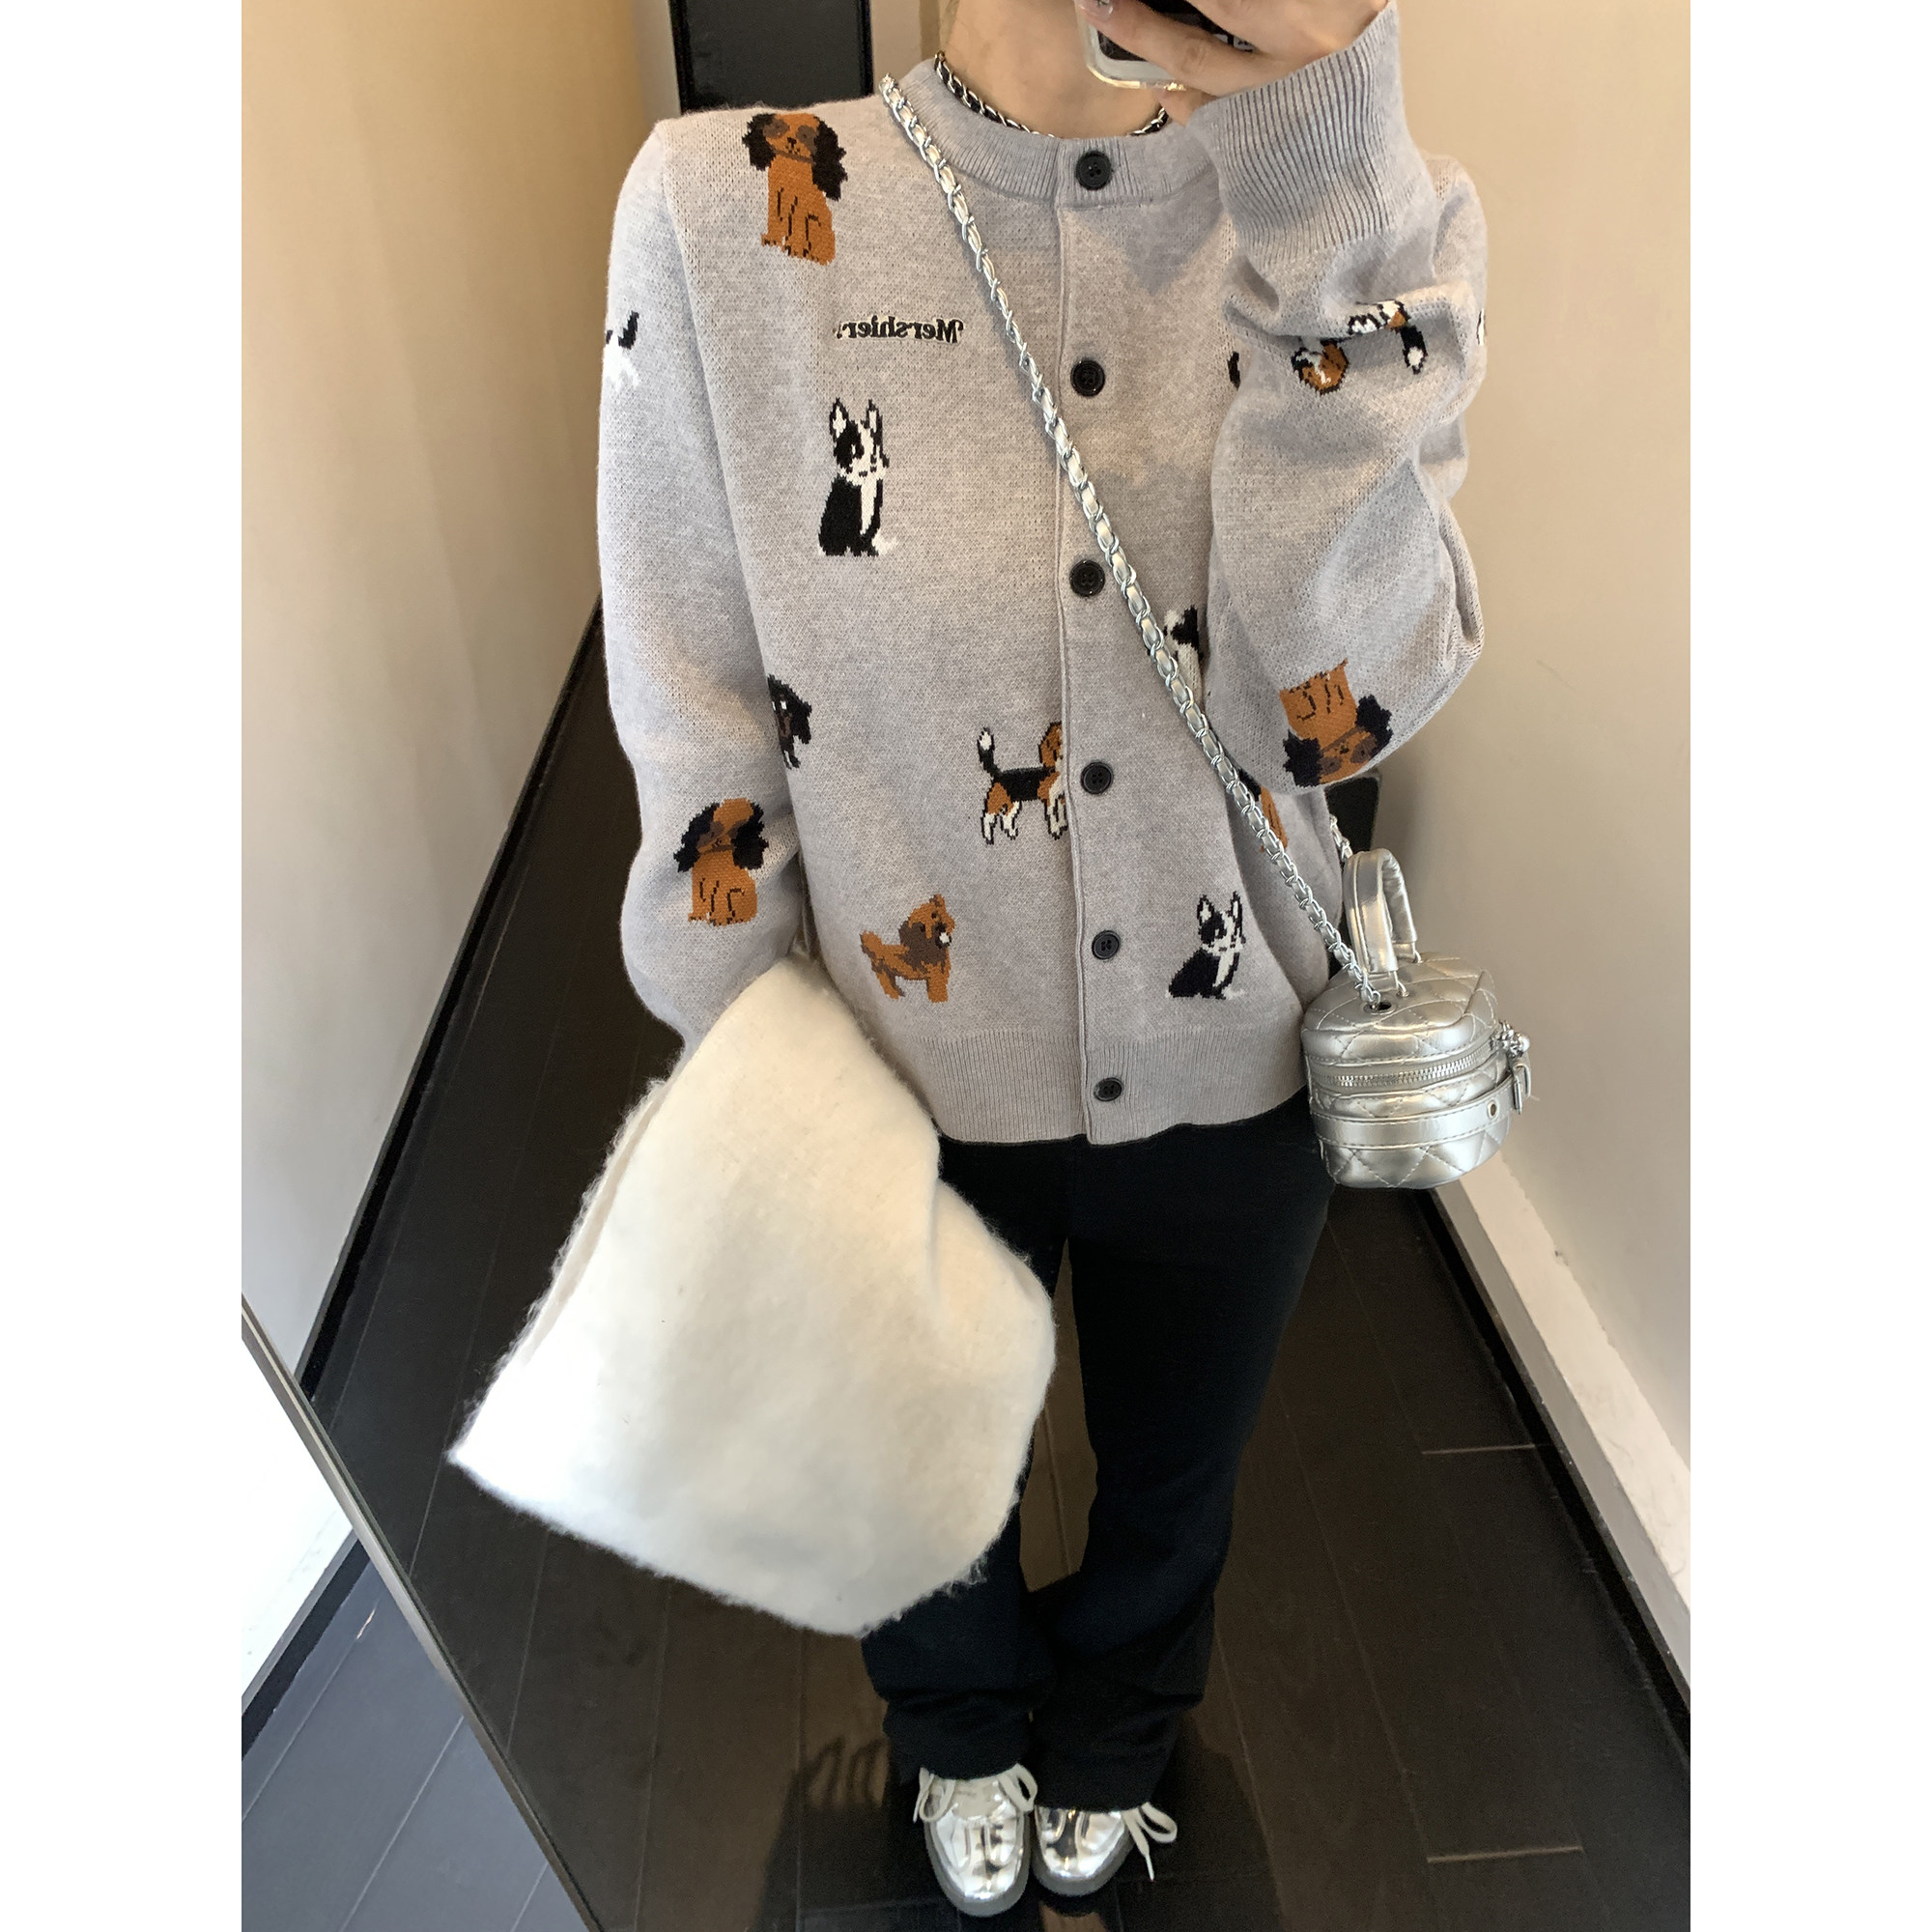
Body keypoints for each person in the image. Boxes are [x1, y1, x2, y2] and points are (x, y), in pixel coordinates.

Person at [596, 0, 1486, 1912]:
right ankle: (958, 1734)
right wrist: (759, 1063)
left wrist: (1326, 178)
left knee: (1176, 1477)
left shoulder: (1365, 226)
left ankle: (1115, 1738)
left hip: (1236, 1058)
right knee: (922, 1472)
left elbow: (1340, 710)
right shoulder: (723, 211)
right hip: (888, 1070)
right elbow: (694, 709)